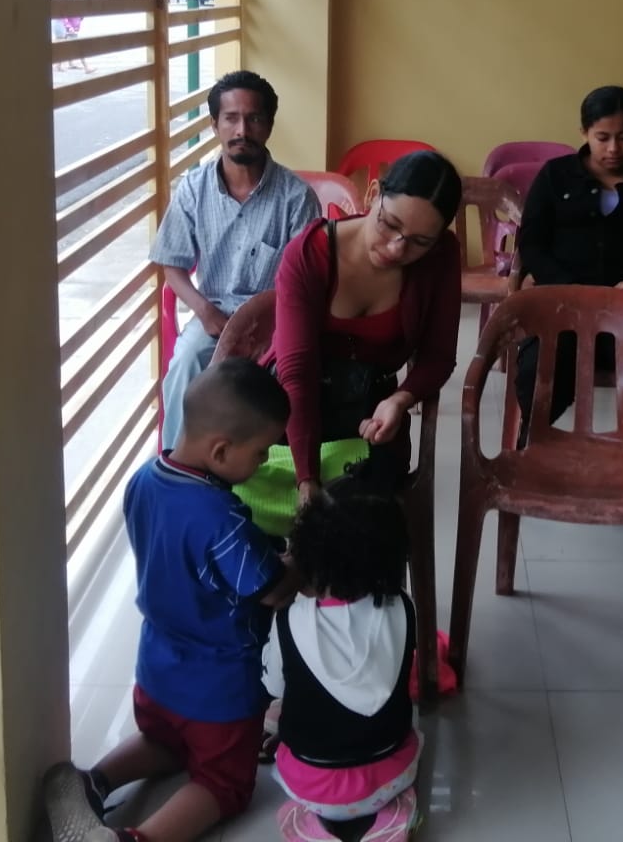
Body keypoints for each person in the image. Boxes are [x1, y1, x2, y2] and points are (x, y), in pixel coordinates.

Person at [43, 358, 302, 842]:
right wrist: (299, 558)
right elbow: (272, 590)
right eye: (262, 451)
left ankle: (89, 783)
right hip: (219, 691)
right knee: (223, 784)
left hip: (156, 673)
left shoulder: (143, 480)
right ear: (221, 450)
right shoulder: (223, 520)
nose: (265, 461)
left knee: (164, 742)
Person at [270, 149, 463, 505]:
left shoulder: (441, 256)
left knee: (367, 511)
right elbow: (296, 371)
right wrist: (306, 478)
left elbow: (438, 357)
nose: (396, 248)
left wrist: (400, 399)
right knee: (267, 503)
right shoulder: (310, 253)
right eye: (389, 224)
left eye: (420, 242)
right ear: (373, 194)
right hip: (292, 406)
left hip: (372, 409)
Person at [514, 86, 623, 465]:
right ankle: (533, 450)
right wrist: (570, 288)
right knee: (536, 372)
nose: (613, 148)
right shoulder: (555, 177)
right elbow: (532, 246)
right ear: (584, 133)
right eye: (602, 137)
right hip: (564, 312)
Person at [153, 71, 320, 451]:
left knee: (293, 378)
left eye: (254, 118)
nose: (242, 130)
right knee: (185, 364)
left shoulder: (296, 198)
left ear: (269, 125)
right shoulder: (193, 190)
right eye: (230, 118)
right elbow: (171, 265)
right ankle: (177, 463)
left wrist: (264, 324)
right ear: (215, 125)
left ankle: (274, 463)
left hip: (277, 321)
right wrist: (205, 312)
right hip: (213, 317)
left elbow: (307, 281)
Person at [264, 483, 421, 842]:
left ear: (309, 552)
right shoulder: (403, 607)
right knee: (408, 734)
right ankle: (393, 812)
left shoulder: (288, 621)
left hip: (309, 782)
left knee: (277, 710)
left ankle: (310, 817)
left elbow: (274, 686)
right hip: (389, 773)